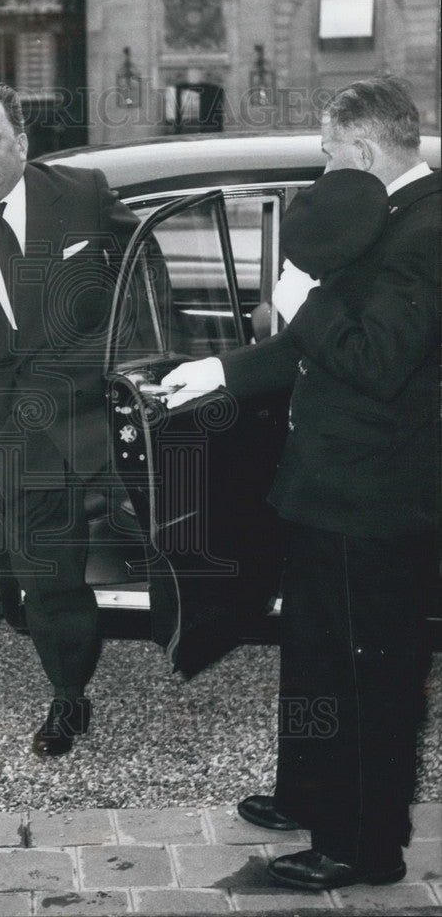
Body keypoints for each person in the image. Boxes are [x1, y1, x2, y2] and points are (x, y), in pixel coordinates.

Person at [161, 76, 439, 890]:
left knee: (369, 674)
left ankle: (363, 846)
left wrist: (300, 299)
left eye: (326, 152)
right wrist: (216, 370)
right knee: (316, 658)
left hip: (374, 501)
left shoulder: (428, 227)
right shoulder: (383, 217)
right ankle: (311, 792)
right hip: (330, 489)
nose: (323, 168)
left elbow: (375, 360)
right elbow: (313, 349)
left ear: (360, 148)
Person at [0, 83, 140, 757]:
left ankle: (202, 640)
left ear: (21, 141)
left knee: (179, 539)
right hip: (16, 435)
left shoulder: (83, 193)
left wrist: (130, 363)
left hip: (107, 413)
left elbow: (141, 271)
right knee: (47, 577)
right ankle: (69, 697)